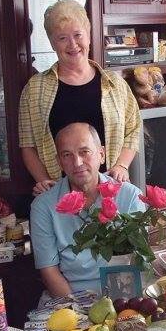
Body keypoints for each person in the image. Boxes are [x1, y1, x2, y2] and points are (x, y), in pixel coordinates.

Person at [19, 0, 140, 196]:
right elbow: (27, 144)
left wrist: (122, 165)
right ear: (52, 43)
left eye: (77, 35)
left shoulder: (115, 84)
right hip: (61, 195)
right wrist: (44, 182)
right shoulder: (34, 89)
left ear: (88, 36)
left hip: (110, 191)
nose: (73, 44)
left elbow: (133, 129)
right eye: (62, 38)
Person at [30, 122, 145, 300]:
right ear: (59, 162)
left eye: (84, 152)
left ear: (101, 154)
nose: (77, 163)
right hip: (69, 298)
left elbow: (138, 261)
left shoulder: (129, 196)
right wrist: (78, 309)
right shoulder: (44, 205)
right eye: (67, 155)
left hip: (123, 296)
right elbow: (49, 270)